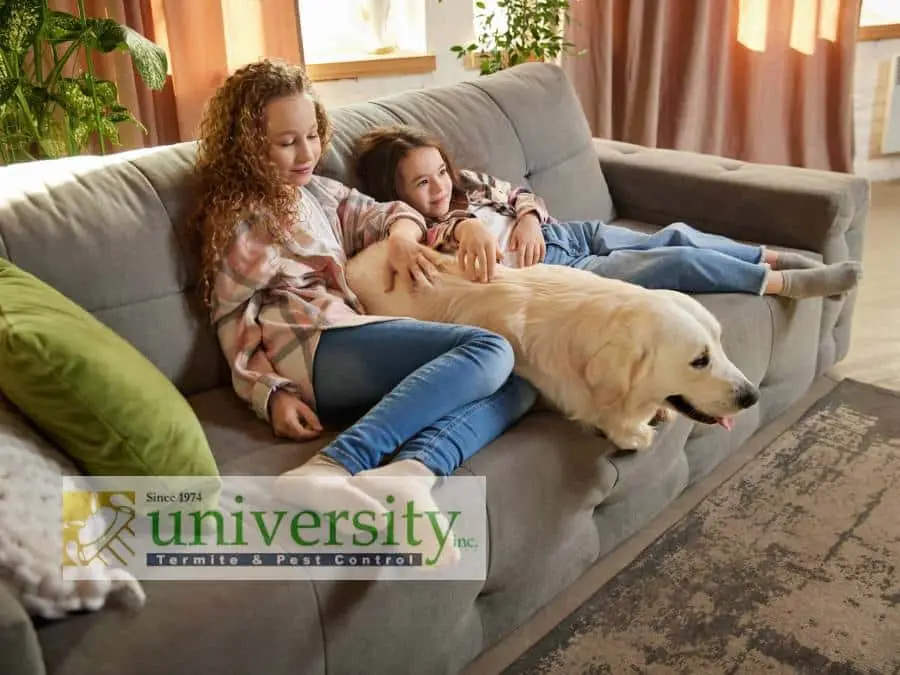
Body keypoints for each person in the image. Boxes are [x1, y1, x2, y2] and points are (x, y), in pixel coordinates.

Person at [189, 60, 537, 560]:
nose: (307, 152)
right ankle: (329, 468)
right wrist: (269, 394)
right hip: (311, 345)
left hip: (351, 333)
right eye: (287, 142)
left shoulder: (319, 192)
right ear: (245, 144)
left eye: (312, 135)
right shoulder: (244, 215)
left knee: (522, 379)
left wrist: (399, 237)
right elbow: (233, 316)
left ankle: (410, 475)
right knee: (490, 347)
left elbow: (388, 211)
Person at [351, 125, 862, 299]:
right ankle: (779, 284)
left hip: (570, 234)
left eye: (440, 171)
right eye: (423, 182)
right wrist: (464, 226)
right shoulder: (412, 226)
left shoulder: (467, 183)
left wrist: (528, 216)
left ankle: (771, 257)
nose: (439, 186)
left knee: (675, 234)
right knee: (673, 265)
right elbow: (447, 233)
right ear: (397, 193)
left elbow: (521, 195)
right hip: (559, 269)